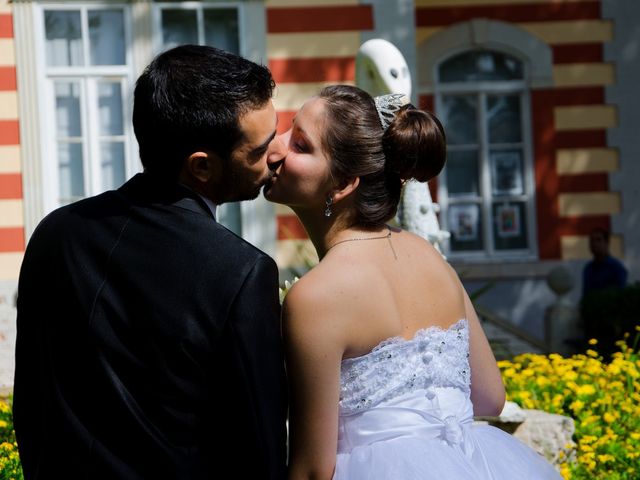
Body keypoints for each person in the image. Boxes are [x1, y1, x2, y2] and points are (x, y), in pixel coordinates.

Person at [14, 45, 288, 479]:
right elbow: (260, 448)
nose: (274, 156)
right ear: (201, 166)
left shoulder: (55, 233)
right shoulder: (241, 270)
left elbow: (29, 404)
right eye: (259, 149)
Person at [264, 85, 561, 479]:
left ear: (344, 183)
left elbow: (313, 469)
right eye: (287, 131)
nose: (275, 149)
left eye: (300, 145)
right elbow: (490, 397)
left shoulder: (316, 297)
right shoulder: (428, 256)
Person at [582, 227, 628, 297]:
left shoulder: (616, 268)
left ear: (607, 243)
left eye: (598, 240)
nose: (594, 243)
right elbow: (586, 295)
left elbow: (620, 295)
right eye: (591, 241)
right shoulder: (588, 269)